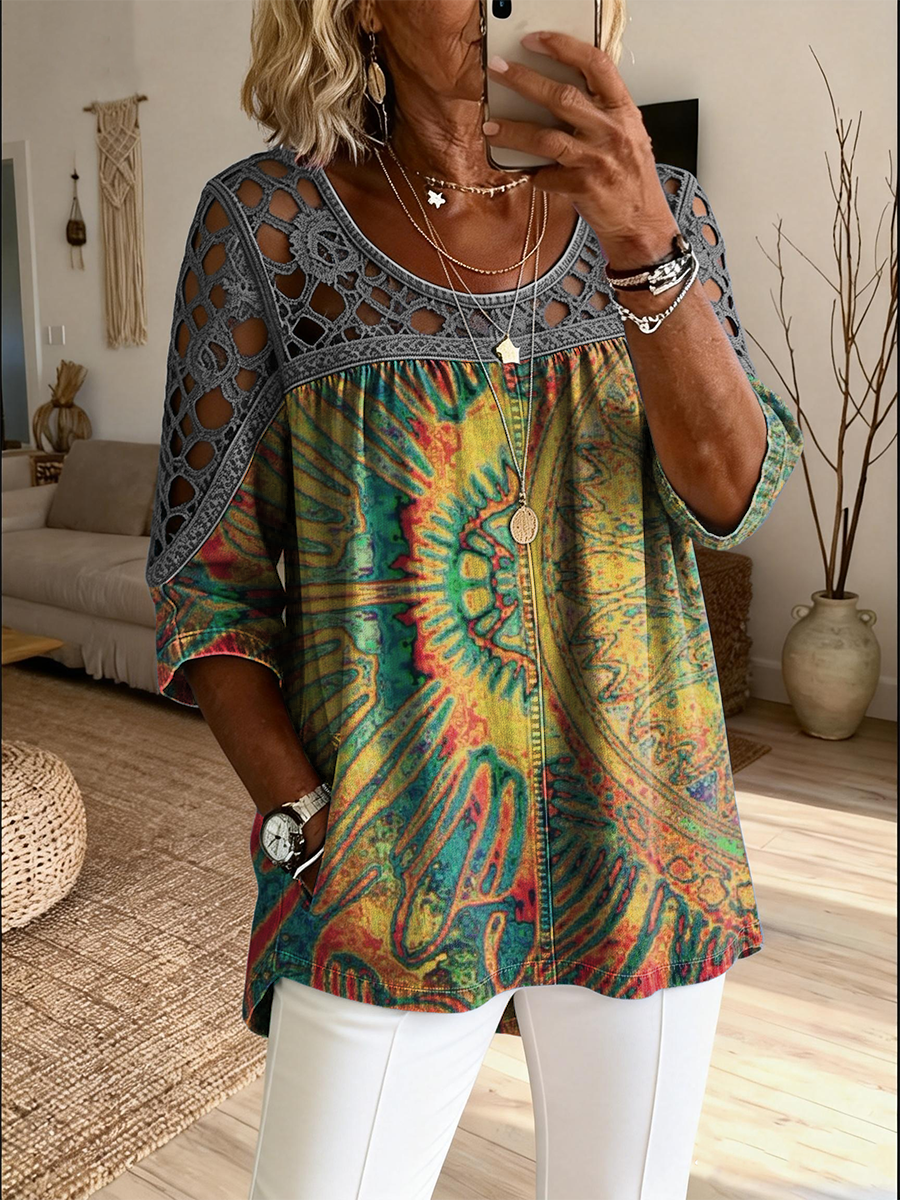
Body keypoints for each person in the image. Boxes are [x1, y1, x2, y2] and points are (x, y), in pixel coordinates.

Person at [145, 1, 804, 1196]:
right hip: (391, 871)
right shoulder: (269, 226)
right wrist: (306, 818)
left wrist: (643, 242)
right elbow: (207, 582)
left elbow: (730, 495)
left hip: (642, 844)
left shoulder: (662, 208)